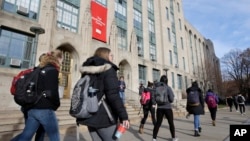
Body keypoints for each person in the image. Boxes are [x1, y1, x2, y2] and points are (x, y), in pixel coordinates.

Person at [76, 47, 130, 141]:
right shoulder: (108, 69)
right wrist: (124, 116)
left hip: (89, 113)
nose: (112, 57)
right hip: (104, 117)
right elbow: (113, 95)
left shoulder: (87, 70)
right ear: (105, 55)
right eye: (111, 55)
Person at [11, 49, 63, 141]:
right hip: (44, 109)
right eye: (62, 58)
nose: (62, 61)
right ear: (58, 58)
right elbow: (52, 92)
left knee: (26, 136)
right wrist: (56, 104)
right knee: (55, 136)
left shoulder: (39, 69)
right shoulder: (52, 70)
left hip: (33, 108)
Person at [11, 53, 47, 141]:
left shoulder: (31, 71)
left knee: (39, 131)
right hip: (36, 108)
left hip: (27, 106)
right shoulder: (42, 73)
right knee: (29, 133)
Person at [152, 75, 178, 141]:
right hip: (168, 108)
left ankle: (154, 138)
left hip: (159, 108)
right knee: (171, 123)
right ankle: (173, 138)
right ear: (166, 81)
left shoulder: (156, 87)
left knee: (158, 123)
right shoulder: (168, 88)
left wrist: (155, 103)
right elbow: (171, 99)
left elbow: (154, 98)